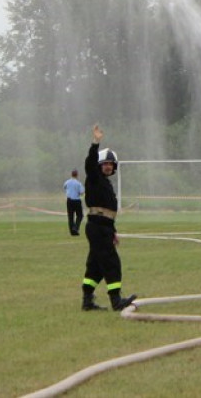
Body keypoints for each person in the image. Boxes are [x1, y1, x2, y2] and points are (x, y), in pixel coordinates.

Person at [81, 124, 136, 312]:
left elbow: (109, 214)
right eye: (105, 163)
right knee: (112, 262)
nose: (108, 166)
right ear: (99, 165)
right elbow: (89, 163)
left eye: (111, 164)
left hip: (103, 228)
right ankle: (116, 300)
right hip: (97, 226)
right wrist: (95, 142)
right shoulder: (94, 178)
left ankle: (87, 300)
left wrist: (113, 232)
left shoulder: (106, 184)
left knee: (95, 265)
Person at [64, 169, 84, 236]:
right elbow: (81, 192)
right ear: (77, 175)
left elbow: (64, 187)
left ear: (71, 174)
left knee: (70, 216)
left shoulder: (67, 182)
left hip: (69, 200)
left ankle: (72, 232)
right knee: (80, 215)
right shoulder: (78, 183)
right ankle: (75, 227)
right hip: (76, 200)